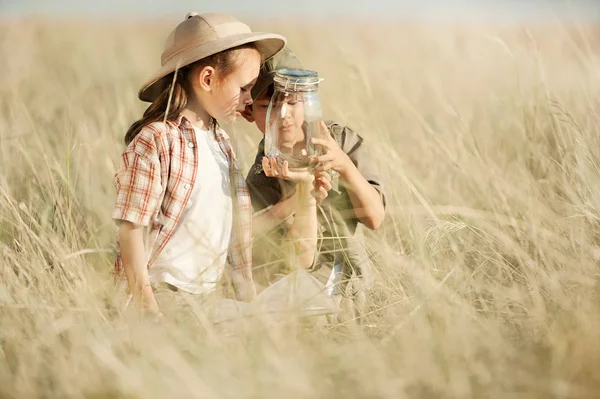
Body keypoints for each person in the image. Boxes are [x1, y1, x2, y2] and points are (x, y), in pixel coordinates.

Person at [111, 12, 321, 319]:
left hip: (209, 298)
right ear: (208, 78)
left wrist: (299, 195)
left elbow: (234, 231)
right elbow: (131, 230)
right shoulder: (156, 140)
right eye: (245, 88)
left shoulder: (221, 143)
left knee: (312, 298)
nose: (250, 99)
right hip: (165, 297)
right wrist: (148, 312)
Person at [242, 47, 386, 323]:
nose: (283, 115)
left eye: (293, 102)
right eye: (267, 106)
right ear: (249, 113)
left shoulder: (338, 140)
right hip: (297, 299)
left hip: (355, 284)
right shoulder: (262, 172)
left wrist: (343, 165)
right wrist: (299, 198)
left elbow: (375, 218)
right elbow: (292, 257)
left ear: (308, 102)